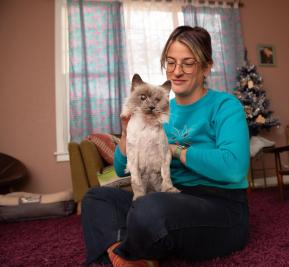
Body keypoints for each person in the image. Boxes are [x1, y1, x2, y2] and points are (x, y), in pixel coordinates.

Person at [81, 26, 250, 266]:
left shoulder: (225, 105)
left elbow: (233, 168)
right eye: (171, 62)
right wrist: (128, 133)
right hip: (168, 197)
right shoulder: (158, 106)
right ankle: (126, 257)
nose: (177, 71)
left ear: (206, 66)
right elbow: (121, 170)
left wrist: (176, 150)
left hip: (220, 206)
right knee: (97, 198)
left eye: (188, 63)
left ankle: (127, 250)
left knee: (149, 209)